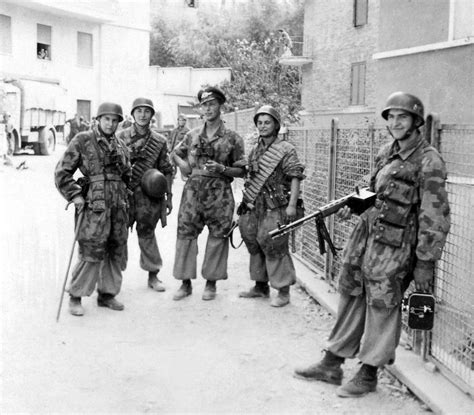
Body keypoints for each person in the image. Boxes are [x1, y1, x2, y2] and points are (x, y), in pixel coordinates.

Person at [294, 92, 451, 397]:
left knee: (383, 303)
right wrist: (353, 207)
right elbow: (373, 191)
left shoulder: (429, 161)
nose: (395, 123)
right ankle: (332, 362)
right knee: (351, 293)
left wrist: (425, 261)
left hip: (396, 246)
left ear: (416, 122)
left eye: (402, 117)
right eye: (391, 117)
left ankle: (369, 373)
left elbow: (435, 216)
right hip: (366, 238)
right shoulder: (386, 152)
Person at [55, 102, 131, 316]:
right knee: (91, 248)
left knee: (115, 248)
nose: (111, 124)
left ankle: (107, 294)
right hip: (94, 206)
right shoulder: (83, 140)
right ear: (98, 120)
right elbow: (62, 172)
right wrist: (75, 194)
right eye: (107, 119)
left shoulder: (120, 144)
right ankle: (76, 295)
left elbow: (127, 175)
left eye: (115, 120)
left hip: (118, 206)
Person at [171, 86, 245, 301]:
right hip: (193, 193)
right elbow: (174, 153)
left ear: (220, 106)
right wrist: (183, 166)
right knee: (185, 234)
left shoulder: (233, 138)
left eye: (212, 104)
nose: (208, 109)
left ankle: (211, 283)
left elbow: (242, 170)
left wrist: (223, 169)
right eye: (204, 105)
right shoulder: (192, 135)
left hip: (219, 193)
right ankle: (185, 283)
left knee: (218, 236)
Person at [238, 105, 305, 307]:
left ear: (276, 125)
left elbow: (295, 177)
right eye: (259, 122)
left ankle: (283, 290)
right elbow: (251, 177)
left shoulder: (286, 149)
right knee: (251, 237)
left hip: (278, 204)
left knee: (273, 242)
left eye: (267, 122)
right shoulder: (255, 150)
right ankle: (260, 286)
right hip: (256, 204)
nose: (263, 126)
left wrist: (291, 206)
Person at [117, 97, 173, 292]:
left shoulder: (159, 141)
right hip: (124, 194)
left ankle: (153, 274)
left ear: (152, 115)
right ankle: (113, 278)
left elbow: (167, 169)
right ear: (132, 114)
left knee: (147, 233)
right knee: (118, 234)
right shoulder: (120, 137)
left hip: (148, 196)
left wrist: (169, 197)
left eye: (147, 111)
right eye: (139, 111)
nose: (142, 115)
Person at [168, 114, 190, 178]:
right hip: (172, 150)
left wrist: (180, 148)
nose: (182, 122)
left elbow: (189, 145)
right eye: (180, 120)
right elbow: (169, 140)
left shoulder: (188, 131)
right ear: (178, 121)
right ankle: (172, 172)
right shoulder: (174, 130)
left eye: (183, 120)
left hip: (182, 152)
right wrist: (169, 147)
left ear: (185, 121)